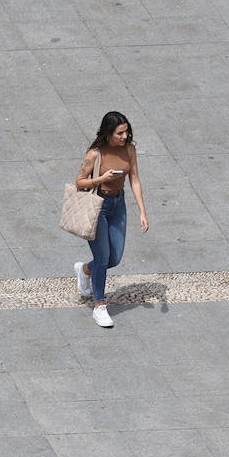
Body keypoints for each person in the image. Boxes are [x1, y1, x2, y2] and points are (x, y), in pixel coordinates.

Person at [72, 111, 149, 328]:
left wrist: (142, 211)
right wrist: (101, 179)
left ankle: (84, 270)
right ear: (108, 133)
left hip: (118, 204)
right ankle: (99, 305)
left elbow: (134, 179)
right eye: (119, 133)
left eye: (126, 132)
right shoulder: (95, 154)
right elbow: (79, 182)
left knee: (114, 258)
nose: (124, 136)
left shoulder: (129, 150)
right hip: (98, 205)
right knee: (103, 259)